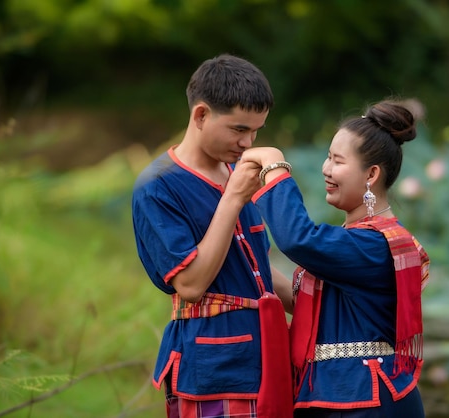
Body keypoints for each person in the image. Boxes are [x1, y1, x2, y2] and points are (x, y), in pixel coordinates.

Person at [238, 99, 431, 417]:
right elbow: (300, 302)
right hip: (339, 397)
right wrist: (241, 249)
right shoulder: (358, 240)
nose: (326, 169)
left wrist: (274, 164)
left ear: (371, 174)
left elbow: (298, 239)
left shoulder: (374, 245)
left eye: (338, 161)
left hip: (365, 402)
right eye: (328, 158)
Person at [131, 54, 293, 418]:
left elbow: (259, 268)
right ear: (201, 115)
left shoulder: (235, 170)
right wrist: (234, 197)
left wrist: (325, 303)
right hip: (212, 370)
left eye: (256, 132)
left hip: (265, 360)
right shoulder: (158, 186)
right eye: (238, 130)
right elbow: (190, 284)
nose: (247, 143)